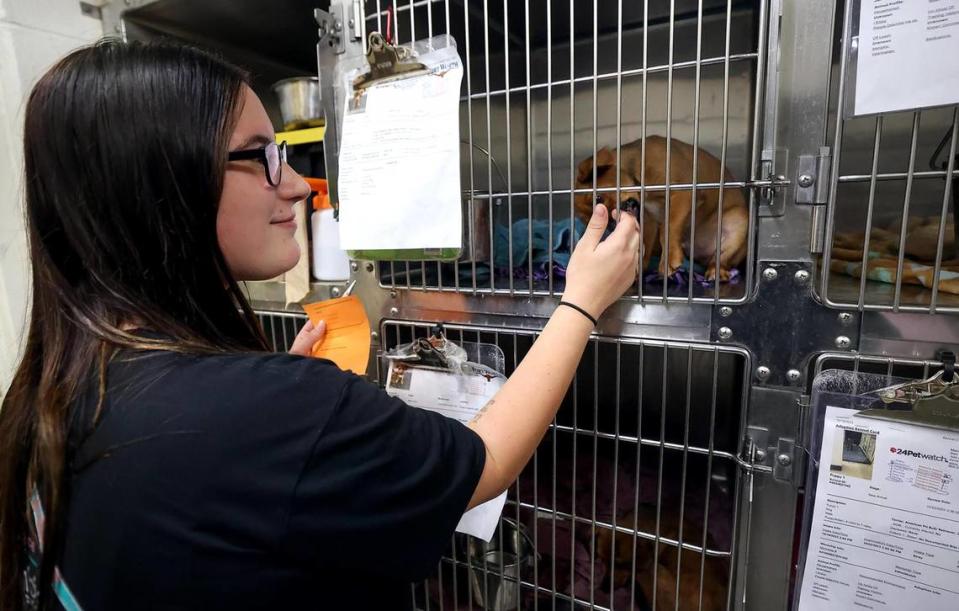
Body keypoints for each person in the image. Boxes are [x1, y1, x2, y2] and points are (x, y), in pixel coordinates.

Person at [0, 40, 639, 610]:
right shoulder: (263, 410)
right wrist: (581, 300)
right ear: (163, 182)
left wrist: (278, 409)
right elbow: (486, 462)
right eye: (263, 157)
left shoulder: (53, 388)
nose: (301, 187)